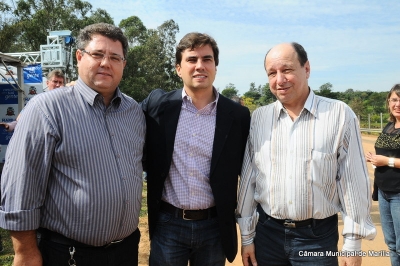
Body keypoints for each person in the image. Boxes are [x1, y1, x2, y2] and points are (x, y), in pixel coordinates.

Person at [0, 23, 145, 266]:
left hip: (125, 250)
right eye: (97, 54)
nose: (105, 63)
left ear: (123, 65)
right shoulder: (47, 110)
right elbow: (21, 185)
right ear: (79, 57)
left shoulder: (134, 112)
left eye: (114, 57)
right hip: (69, 254)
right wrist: (25, 251)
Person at [236, 42, 376, 266]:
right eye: (272, 73)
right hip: (266, 236)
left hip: (317, 240)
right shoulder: (260, 119)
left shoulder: (339, 115)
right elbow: (249, 180)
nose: (279, 80)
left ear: (307, 69)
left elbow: (352, 182)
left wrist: (353, 242)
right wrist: (247, 237)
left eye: (287, 70)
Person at [141, 32, 250, 266]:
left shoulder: (237, 116)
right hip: (168, 224)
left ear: (215, 67)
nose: (200, 66)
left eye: (207, 59)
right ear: (178, 68)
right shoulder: (157, 105)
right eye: (191, 59)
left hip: (214, 227)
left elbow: (249, 173)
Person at [366, 83, 400, 266]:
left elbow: (387, 159)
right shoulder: (389, 126)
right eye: (394, 99)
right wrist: (373, 159)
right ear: (388, 102)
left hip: (399, 194)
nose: (398, 104)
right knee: (392, 244)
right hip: (384, 192)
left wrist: (385, 161)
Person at [0, 69, 66, 132]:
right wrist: (10, 126)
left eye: (60, 82)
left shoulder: (67, 101)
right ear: (47, 83)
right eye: (55, 81)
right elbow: (21, 118)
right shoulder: (38, 100)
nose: (58, 85)